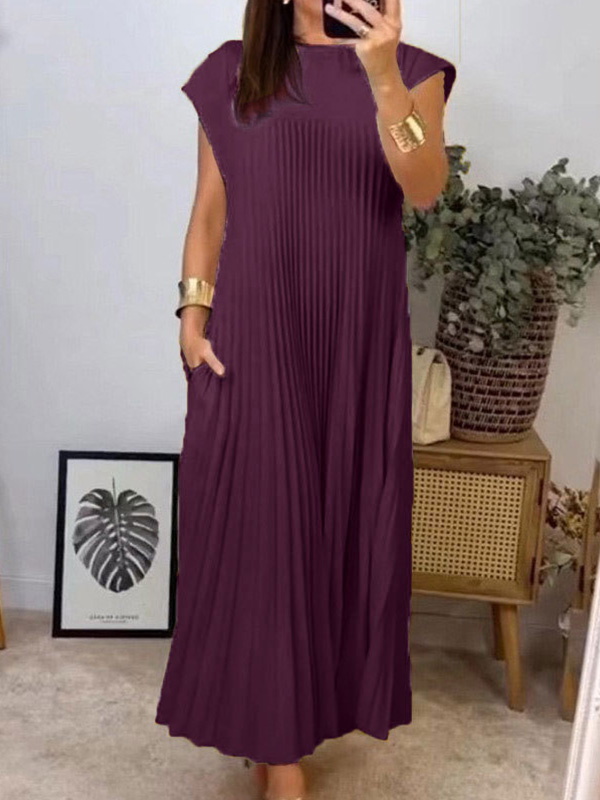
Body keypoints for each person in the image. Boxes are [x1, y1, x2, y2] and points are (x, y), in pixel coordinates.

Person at [155, 0, 456, 798]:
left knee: (338, 535)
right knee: (263, 537)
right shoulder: (233, 70)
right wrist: (191, 314)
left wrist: (382, 74)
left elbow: (426, 187)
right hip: (257, 334)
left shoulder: (415, 70)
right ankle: (280, 757)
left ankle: (291, 723)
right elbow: (210, 206)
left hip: (356, 342)